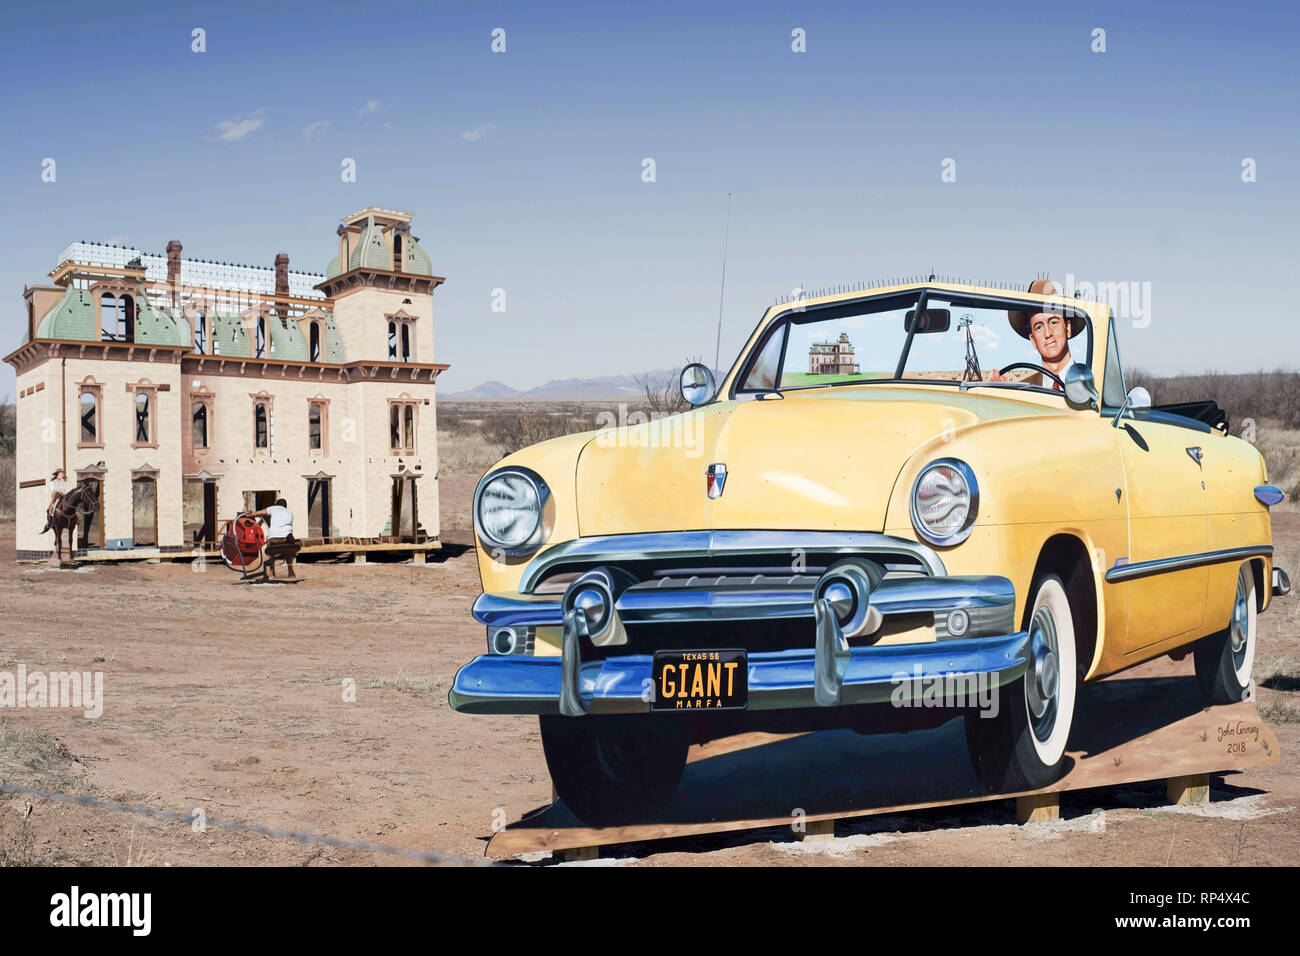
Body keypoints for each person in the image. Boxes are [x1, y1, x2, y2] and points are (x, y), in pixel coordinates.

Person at [987, 278, 1080, 390]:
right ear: (1033, 340)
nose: (1048, 333)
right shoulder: (1022, 392)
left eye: (1054, 322)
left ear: (1068, 329)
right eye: (1039, 327)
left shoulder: (1096, 383)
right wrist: (1000, 397)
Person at [246, 498, 297, 578]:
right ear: (285, 506)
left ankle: (272, 572)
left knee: (271, 550)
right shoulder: (290, 513)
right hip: (286, 538)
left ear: (276, 504)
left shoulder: (273, 508)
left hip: (273, 538)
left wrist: (250, 514)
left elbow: (260, 513)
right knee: (288, 550)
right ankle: (290, 571)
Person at [41, 469, 69, 534]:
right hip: (55, 496)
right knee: (52, 507)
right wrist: (59, 491)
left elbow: (64, 490)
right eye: (60, 474)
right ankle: (50, 522)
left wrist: (61, 492)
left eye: (62, 474)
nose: (62, 475)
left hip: (62, 496)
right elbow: (54, 490)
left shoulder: (63, 482)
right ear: (57, 475)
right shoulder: (52, 482)